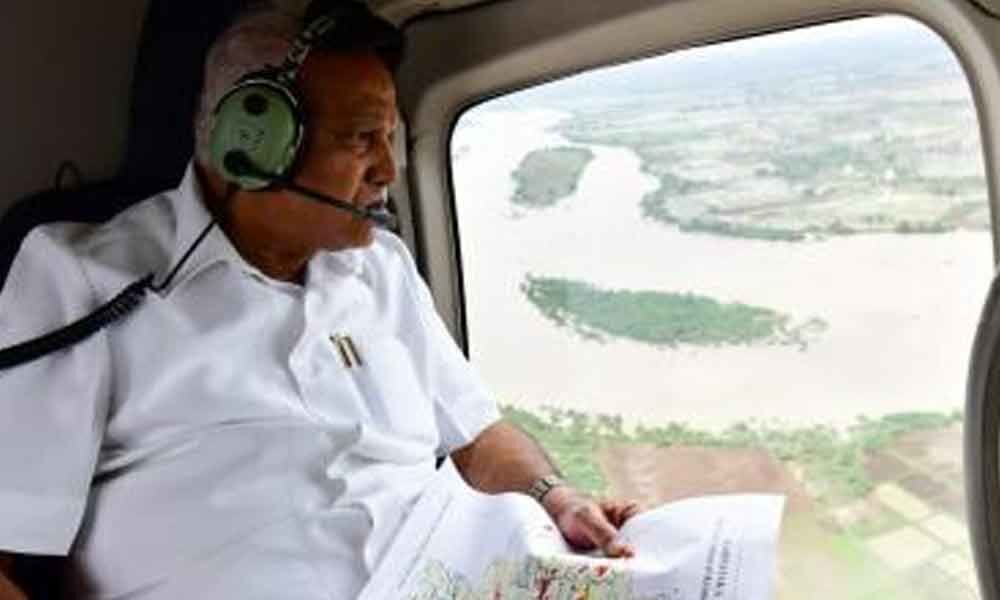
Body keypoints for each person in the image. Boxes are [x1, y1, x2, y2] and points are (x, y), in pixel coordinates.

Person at [0, 1, 641, 598]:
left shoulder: (381, 267)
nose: (388, 170)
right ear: (252, 143)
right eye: (362, 140)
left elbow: (477, 435)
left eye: (389, 139)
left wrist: (555, 498)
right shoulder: (79, 280)